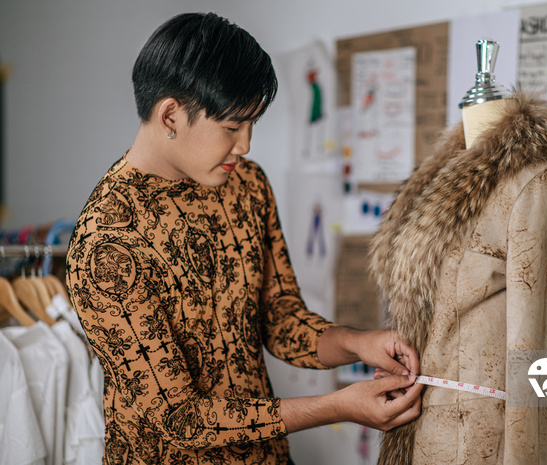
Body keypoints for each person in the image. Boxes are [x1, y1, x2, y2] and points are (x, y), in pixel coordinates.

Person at [65, 12, 422, 465]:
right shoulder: (107, 245)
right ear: (170, 115)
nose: (246, 145)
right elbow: (180, 419)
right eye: (233, 127)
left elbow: (279, 318)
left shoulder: (247, 184)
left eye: (253, 124)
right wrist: (337, 407)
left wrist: (357, 342)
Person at [370, 40, 547, 464]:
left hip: (483, 443)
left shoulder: (539, 186)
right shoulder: (428, 189)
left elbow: (546, 345)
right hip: (415, 430)